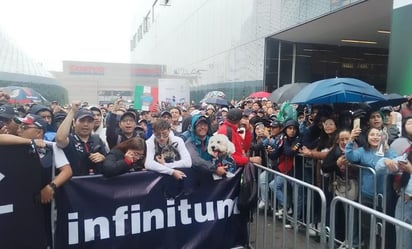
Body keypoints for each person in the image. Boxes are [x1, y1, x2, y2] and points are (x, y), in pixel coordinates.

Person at [0, 113, 73, 248]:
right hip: (18, 204)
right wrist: (30, 142)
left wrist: (51, 186)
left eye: (25, 127)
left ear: (39, 131)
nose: (19, 129)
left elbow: (67, 170)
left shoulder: (51, 147)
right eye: (20, 126)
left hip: (43, 204)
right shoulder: (14, 144)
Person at [55, 101, 107, 176]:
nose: (86, 124)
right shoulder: (70, 139)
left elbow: (108, 161)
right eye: (82, 121)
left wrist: (103, 158)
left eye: (89, 121)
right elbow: (59, 139)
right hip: (73, 185)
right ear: (74, 123)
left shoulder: (97, 139)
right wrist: (72, 111)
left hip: (95, 184)